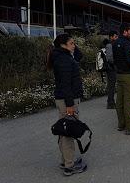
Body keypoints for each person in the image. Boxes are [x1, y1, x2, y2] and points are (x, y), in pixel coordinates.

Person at [49, 33, 87, 176]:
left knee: (64, 130)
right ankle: (69, 166)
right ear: (63, 45)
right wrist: (70, 105)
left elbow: (79, 56)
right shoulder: (64, 60)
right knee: (68, 131)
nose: (74, 45)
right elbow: (65, 85)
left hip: (65, 99)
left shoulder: (64, 56)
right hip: (67, 100)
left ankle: (66, 160)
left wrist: (73, 48)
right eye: (71, 43)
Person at [112, 23, 130, 135]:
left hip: (119, 75)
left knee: (119, 101)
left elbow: (113, 59)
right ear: (125, 31)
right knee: (129, 102)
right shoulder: (127, 43)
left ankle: (121, 124)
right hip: (128, 75)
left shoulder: (114, 43)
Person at [104, 30, 118, 109]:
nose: (116, 38)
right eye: (115, 36)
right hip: (111, 68)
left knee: (112, 85)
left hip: (113, 67)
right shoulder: (109, 45)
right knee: (111, 85)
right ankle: (110, 102)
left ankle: (111, 101)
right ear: (111, 37)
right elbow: (109, 58)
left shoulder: (112, 44)